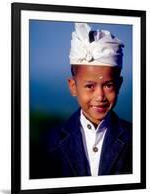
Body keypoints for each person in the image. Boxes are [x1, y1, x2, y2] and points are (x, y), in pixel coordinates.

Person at [40, 23, 132, 178]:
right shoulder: (51, 142)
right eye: (89, 86)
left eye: (108, 85)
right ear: (73, 87)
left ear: (119, 84)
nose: (100, 96)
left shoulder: (137, 138)